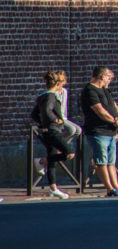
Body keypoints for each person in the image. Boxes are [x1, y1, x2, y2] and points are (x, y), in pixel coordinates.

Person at [80, 66, 118, 197]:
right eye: (109, 77)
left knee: (111, 162)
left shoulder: (105, 90)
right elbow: (98, 110)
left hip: (110, 131)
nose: (110, 80)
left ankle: (117, 188)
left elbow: (114, 106)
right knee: (101, 161)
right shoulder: (90, 90)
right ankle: (109, 189)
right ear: (102, 76)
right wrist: (113, 121)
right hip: (98, 131)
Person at [32, 71, 76, 199]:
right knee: (69, 153)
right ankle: (41, 161)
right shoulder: (51, 96)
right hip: (53, 131)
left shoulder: (42, 96)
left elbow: (34, 114)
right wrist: (56, 120)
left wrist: (43, 124)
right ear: (57, 84)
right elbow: (47, 111)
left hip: (47, 130)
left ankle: (53, 188)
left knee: (53, 158)